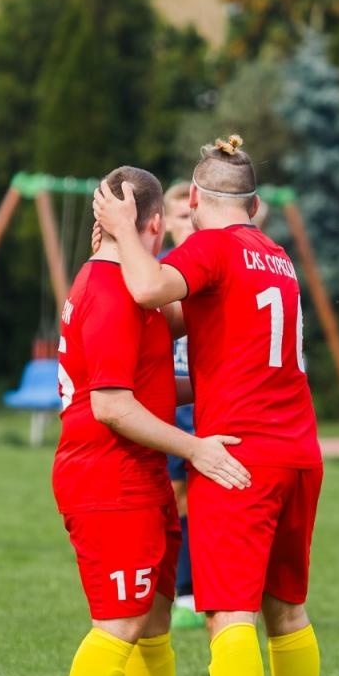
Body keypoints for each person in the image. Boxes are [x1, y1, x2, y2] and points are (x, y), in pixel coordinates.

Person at [93, 134, 324, 676]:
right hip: (300, 448)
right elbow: (198, 319)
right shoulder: (275, 257)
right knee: (289, 606)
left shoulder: (211, 246)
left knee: (228, 611)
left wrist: (119, 229)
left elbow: (144, 286)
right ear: (255, 206)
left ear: (194, 201)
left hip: (237, 454)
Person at [39, 166, 248, 676]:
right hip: (106, 477)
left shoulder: (131, 288)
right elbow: (111, 405)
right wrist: (199, 449)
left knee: (154, 617)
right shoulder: (108, 291)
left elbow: (153, 376)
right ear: (152, 222)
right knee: (122, 621)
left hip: (139, 474)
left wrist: (228, 389)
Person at [159, 181, 203, 629]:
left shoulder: (210, 268)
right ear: (165, 221)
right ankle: (175, 587)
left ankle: (190, 589)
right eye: (179, 216)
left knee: (194, 498)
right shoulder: (155, 272)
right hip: (168, 405)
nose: (186, 223)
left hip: (200, 404)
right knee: (173, 497)